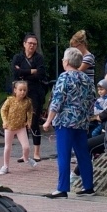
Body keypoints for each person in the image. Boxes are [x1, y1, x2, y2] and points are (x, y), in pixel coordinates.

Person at [42, 47, 97, 198]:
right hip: (81, 121)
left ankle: (62, 188)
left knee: (64, 154)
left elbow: (57, 101)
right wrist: (87, 117)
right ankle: (88, 186)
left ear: (66, 61)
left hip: (65, 121)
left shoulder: (64, 77)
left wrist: (48, 121)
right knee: (83, 154)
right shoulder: (86, 79)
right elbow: (92, 99)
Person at [9, 34, 49, 161]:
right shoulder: (18, 57)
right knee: (22, 122)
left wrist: (23, 72)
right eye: (30, 43)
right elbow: (15, 72)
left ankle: (37, 152)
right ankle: (25, 152)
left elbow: (40, 74)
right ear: (24, 44)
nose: (32, 46)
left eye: (34, 44)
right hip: (20, 94)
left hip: (35, 92)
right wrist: (31, 71)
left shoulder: (39, 58)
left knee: (34, 122)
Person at [0, 79, 36, 175]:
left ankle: (26, 158)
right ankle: (5, 166)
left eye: (24, 90)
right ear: (15, 90)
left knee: (26, 147)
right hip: (9, 127)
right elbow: (3, 110)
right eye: (20, 90)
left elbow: (30, 111)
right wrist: (5, 121)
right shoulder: (10, 100)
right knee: (8, 147)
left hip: (21, 127)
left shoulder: (27, 101)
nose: (22, 92)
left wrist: (29, 121)